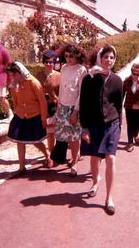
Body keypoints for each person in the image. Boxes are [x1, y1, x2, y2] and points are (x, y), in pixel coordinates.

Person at [79, 44, 123, 215]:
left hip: (112, 124)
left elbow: (118, 104)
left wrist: (119, 124)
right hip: (94, 125)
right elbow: (83, 104)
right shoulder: (89, 79)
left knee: (111, 158)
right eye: (106, 57)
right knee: (94, 157)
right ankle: (95, 183)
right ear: (100, 58)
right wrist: (84, 128)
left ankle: (109, 198)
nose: (109, 60)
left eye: (112, 57)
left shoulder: (117, 80)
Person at [6, 61, 51, 174]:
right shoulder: (14, 84)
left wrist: (43, 118)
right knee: (19, 140)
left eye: (14, 74)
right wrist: (17, 110)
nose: (12, 76)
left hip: (34, 115)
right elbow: (14, 100)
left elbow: (42, 101)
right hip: (20, 115)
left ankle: (47, 153)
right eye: (11, 74)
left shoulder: (33, 82)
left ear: (20, 72)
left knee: (35, 141)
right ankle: (22, 167)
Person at [51, 44, 87, 175]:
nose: (68, 58)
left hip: (73, 108)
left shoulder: (81, 70)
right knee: (62, 135)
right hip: (62, 107)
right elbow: (61, 89)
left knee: (74, 137)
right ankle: (61, 158)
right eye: (66, 56)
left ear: (77, 55)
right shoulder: (64, 68)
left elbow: (81, 93)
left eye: (71, 56)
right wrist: (58, 108)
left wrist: (76, 112)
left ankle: (74, 162)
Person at [36, 50, 60, 152]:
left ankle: (57, 153)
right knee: (50, 132)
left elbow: (61, 94)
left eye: (51, 62)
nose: (48, 64)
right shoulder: (39, 75)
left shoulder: (59, 75)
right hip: (43, 107)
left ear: (54, 63)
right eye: (46, 61)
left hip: (55, 106)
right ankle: (51, 155)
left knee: (56, 132)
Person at [0, 29, 12, 121]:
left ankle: (10, 113)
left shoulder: (3, 50)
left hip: (0, 78)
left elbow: (9, 65)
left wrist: (9, 79)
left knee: (1, 98)